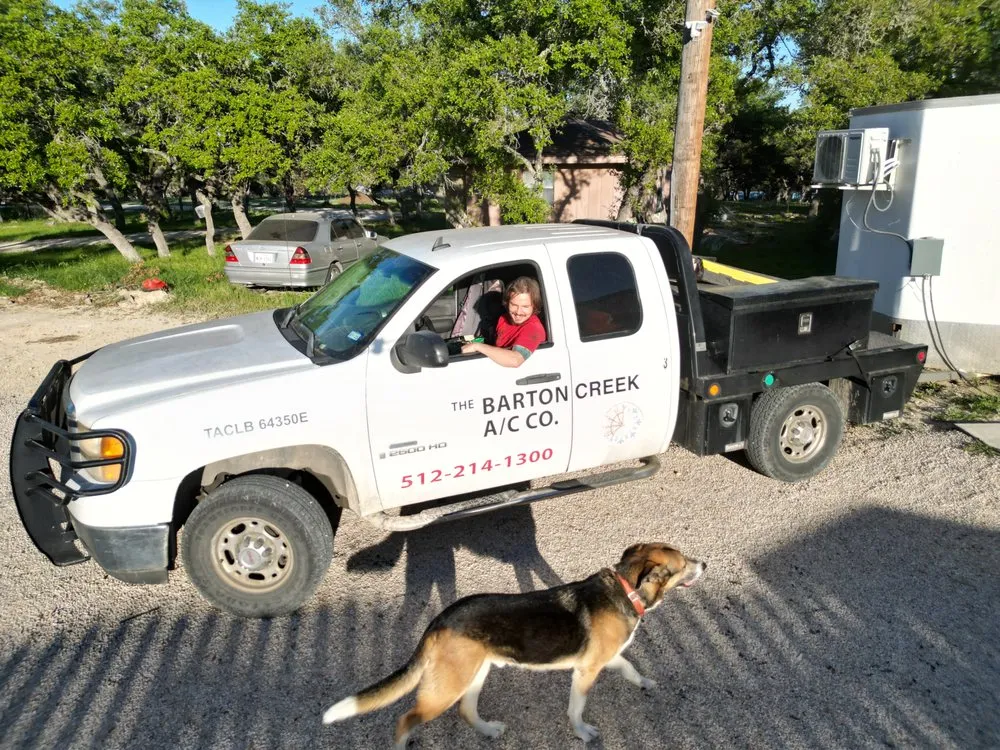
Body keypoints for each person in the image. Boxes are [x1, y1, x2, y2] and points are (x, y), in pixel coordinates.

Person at [461, 276, 545, 367]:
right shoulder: (503, 319)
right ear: (507, 302)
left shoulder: (533, 328)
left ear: (534, 306)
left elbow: (515, 360)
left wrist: (477, 346)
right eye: (514, 305)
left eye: (525, 306)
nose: (518, 312)